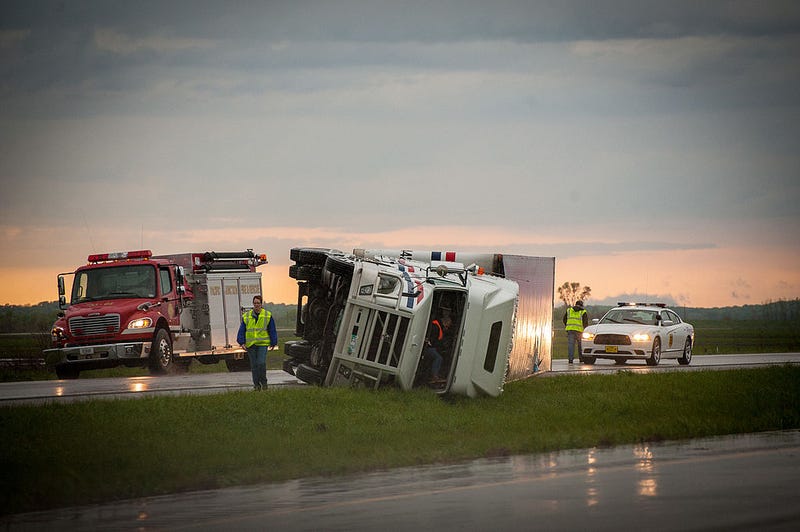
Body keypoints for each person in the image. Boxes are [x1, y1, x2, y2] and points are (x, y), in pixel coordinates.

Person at [237, 295, 278, 390]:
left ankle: (264, 383)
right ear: (253, 304)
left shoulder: (267, 315)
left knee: (261, 363)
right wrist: (241, 342)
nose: (256, 305)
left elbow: (272, 330)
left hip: (262, 344)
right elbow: (242, 330)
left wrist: (273, 342)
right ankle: (256, 385)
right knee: (254, 366)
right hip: (251, 345)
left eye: (258, 303)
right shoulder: (246, 316)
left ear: (261, 304)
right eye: (255, 303)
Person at [424, 314, 452, 383]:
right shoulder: (435, 326)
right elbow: (433, 341)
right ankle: (434, 376)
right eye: (447, 326)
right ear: (445, 323)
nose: (447, 328)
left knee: (440, 356)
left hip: (431, 346)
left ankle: (435, 374)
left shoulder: (438, 325)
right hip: (427, 347)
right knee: (438, 358)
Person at [563, 300, 588, 364]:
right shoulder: (583, 312)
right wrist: (585, 330)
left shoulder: (569, 310)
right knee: (580, 345)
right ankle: (581, 359)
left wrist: (567, 325)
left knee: (571, 345)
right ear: (581, 305)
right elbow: (585, 322)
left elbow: (564, 319)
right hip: (579, 331)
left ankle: (570, 359)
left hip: (570, 330)